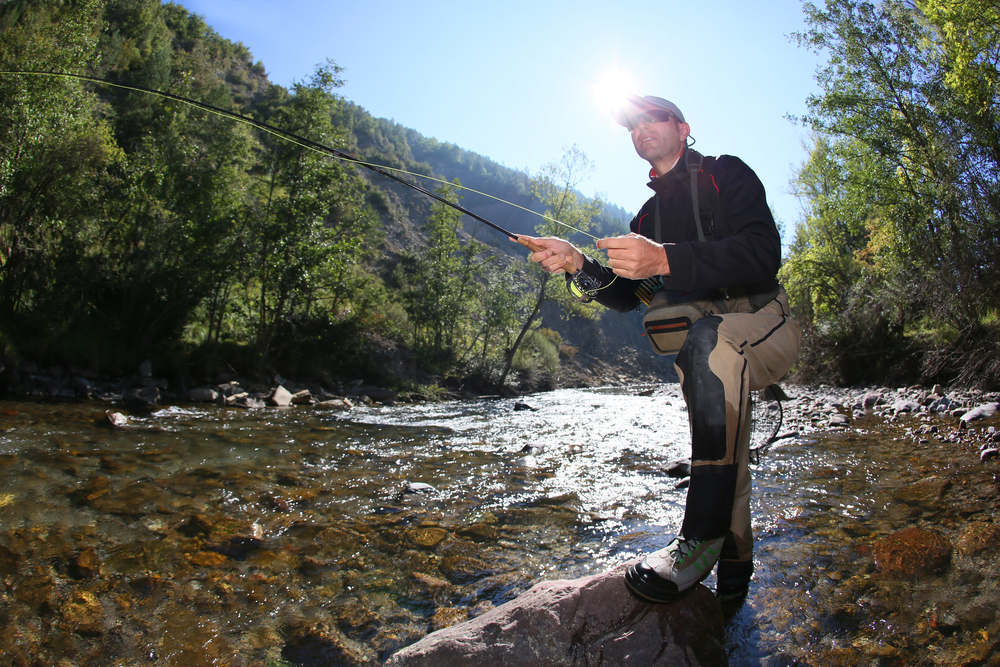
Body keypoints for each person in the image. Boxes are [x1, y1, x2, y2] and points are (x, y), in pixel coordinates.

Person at [522, 94, 801, 605]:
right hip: (705, 355)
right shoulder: (646, 218)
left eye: (653, 118)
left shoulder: (727, 174)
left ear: (683, 127)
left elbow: (763, 254)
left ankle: (693, 541)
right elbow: (627, 298)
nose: (641, 128)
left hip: (762, 319)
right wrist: (578, 264)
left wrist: (666, 260)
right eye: (633, 124)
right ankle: (733, 591)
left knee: (707, 339)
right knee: (724, 457)